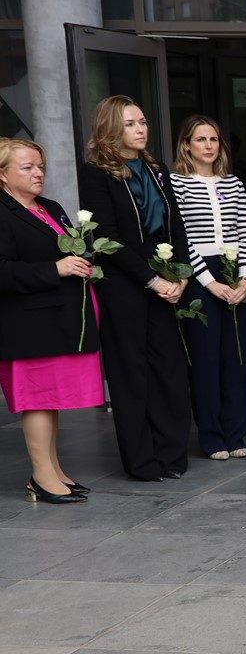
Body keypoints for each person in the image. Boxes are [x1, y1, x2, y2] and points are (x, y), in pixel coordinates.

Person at [77, 96, 192, 481]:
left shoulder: (156, 170)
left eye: (142, 121)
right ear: (111, 129)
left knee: (169, 368)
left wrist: (181, 275)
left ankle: (172, 455)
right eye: (130, 123)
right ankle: (142, 462)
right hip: (125, 284)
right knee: (132, 373)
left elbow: (175, 224)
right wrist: (152, 279)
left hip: (165, 277)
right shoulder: (96, 172)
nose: (141, 129)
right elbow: (104, 236)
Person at [0, 139, 99, 503]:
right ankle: (41, 477)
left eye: (40, 165)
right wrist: (54, 269)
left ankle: (53, 469)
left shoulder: (50, 207)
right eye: (27, 167)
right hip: (25, 324)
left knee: (51, 399)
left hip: (55, 319)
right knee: (38, 400)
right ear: (2, 175)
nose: (38, 172)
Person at [171, 116, 246, 461]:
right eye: (200, 139)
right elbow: (184, 239)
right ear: (186, 144)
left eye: (214, 140)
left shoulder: (233, 183)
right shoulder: (176, 183)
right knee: (205, 360)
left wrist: (245, 279)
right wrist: (210, 283)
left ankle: (236, 432)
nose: (208, 146)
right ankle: (211, 435)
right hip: (199, 277)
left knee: (237, 357)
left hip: (235, 270)